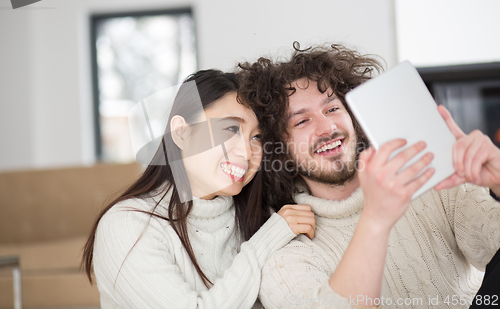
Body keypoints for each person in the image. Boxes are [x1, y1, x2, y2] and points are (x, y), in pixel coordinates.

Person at [237, 43, 500, 308]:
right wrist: (375, 219)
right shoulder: (286, 253)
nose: (328, 127)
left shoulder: (431, 180)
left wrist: (498, 179)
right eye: (302, 121)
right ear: (280, 149)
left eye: (332, 109)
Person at [81, 69, 316, 308]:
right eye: (231, 129)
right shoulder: (129, 225)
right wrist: (267, 240)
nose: (246, 153)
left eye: (257, 138)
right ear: (181, 132)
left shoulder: (260, 216)